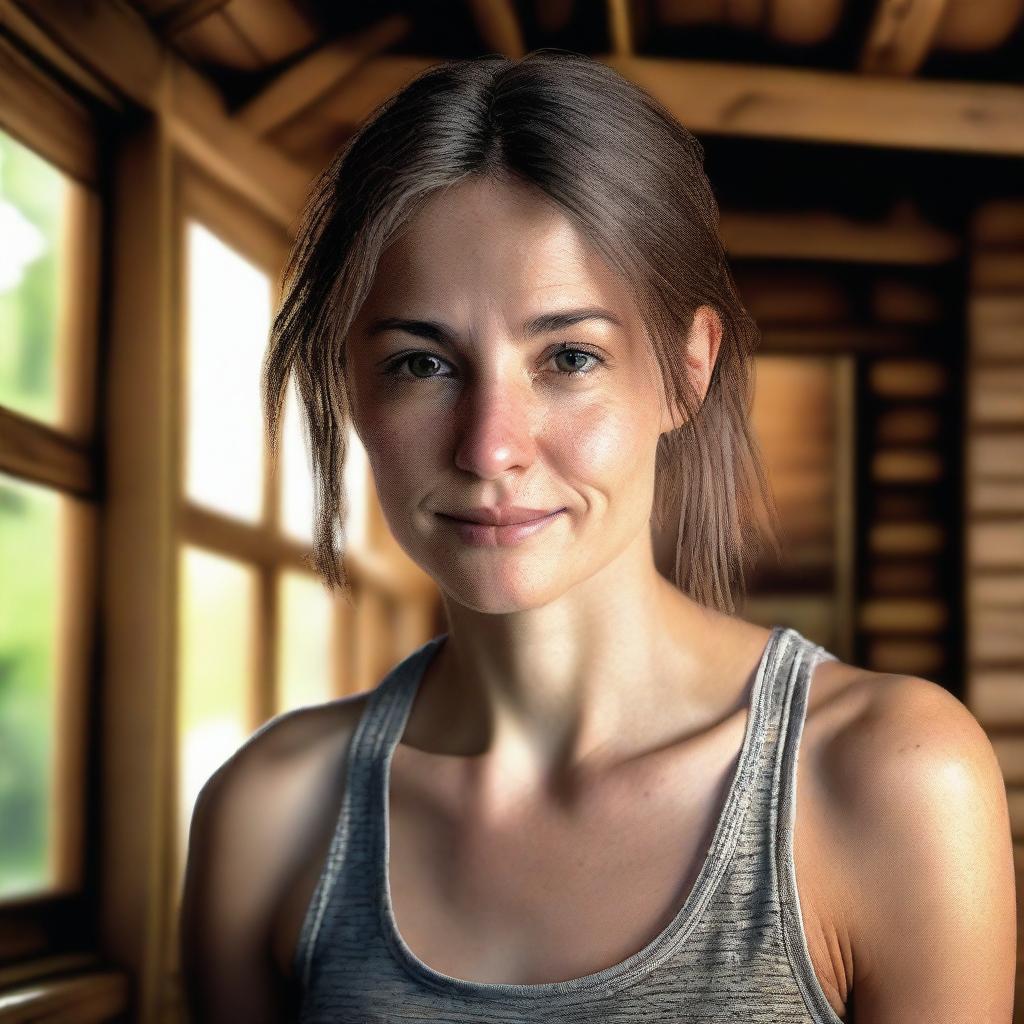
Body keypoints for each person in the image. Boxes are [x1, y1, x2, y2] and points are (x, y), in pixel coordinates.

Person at [179, 49, 1016, 1023]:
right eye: (420, 363)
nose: (491, 446)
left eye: (569, 356)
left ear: (685, 369)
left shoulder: (892, 783)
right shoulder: (269, 818)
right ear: (349, 385)